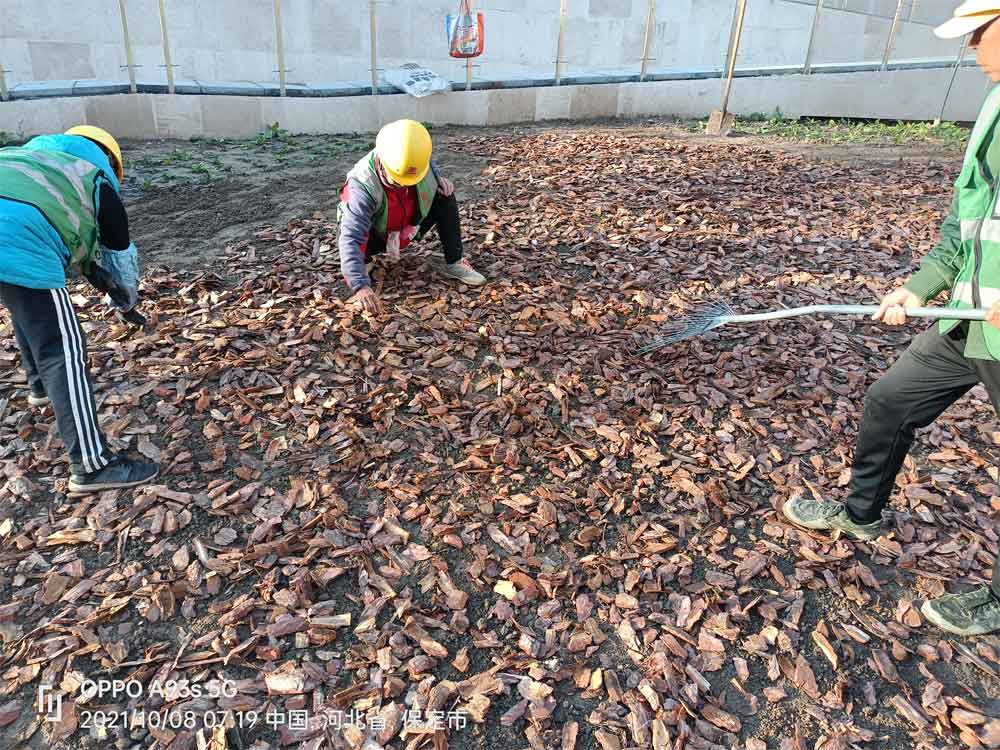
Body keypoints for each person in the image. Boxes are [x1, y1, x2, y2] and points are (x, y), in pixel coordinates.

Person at [783, 0, 1000, 636]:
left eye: (978, 36)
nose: (971, 50)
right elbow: (962, 224)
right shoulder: (993, 108)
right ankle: (861, 512)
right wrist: (918, 287)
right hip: (968, 320)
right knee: (890, 398)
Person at [0, 126, 159, 493]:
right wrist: (127, 303)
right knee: (63, 349)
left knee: (24, 299)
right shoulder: (96, 178)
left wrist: (99, 279)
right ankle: (92, 465)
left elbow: (85, 254)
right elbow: (119, 260)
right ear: (111, 161)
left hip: (12, 235)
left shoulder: (30, 160)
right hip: (16, 235)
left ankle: (39, 387)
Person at [337, 119, 486, 315]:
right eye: (397, 180)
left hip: (408, 226)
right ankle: (364, 262)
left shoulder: (417, 157)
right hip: (376, 236)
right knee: (353, 232)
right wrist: (359, 285)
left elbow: (430, 167)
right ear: (382, 162)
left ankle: (455, 261)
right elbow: (351, 237)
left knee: (445, 195)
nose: (403, 185)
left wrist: (438, 180)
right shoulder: (362, 187)